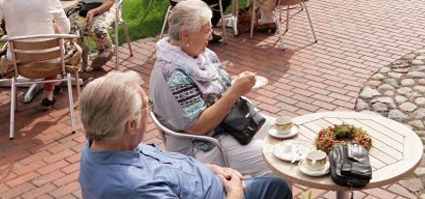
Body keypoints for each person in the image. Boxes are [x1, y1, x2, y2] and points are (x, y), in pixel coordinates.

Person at [80, 70, 291, 199]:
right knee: (277, 188)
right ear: (132, 125)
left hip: (209, 181)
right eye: (148, 106)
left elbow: (160, 166)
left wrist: (209, 169)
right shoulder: (135, 188)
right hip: (223, 193)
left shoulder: (102, 142)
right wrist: (234, 193)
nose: (151, 111)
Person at [150, 1, 274, 177]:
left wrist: (236, 82)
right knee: (275, 161)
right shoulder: (170, 73)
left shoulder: (201, 54)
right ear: (186, 35)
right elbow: (197, 127)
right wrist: (234, 91)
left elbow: (218, 86)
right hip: (205, 144)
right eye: (206, 31)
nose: (210, 36)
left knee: (286, 134)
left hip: (232, 124)